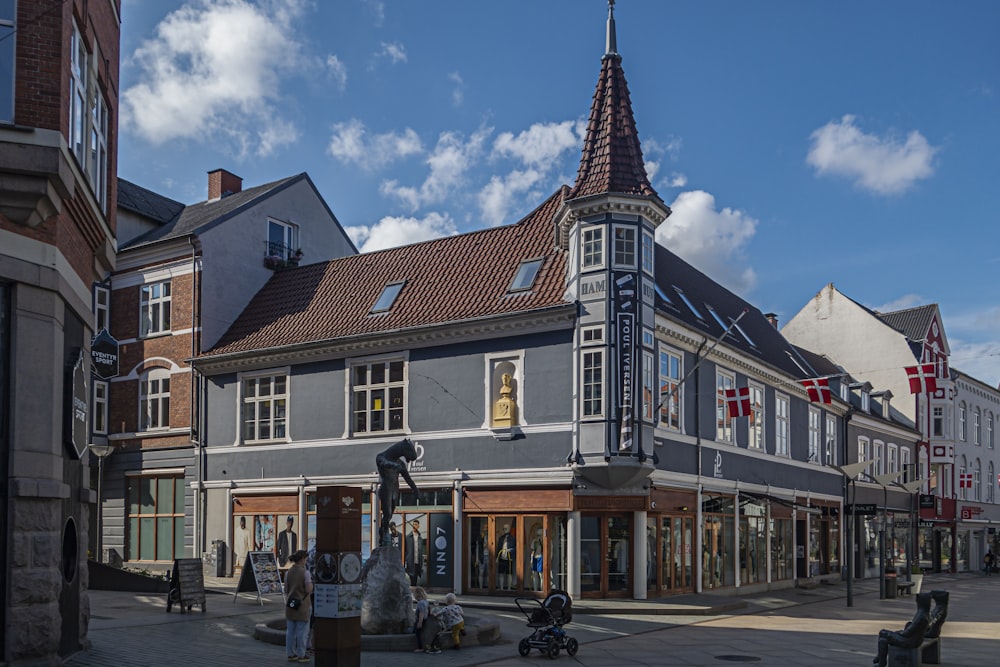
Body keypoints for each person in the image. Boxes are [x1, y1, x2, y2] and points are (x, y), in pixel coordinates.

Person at [284, 549, 312, 663]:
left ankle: (290, 654)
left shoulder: (288, 572)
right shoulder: (305, 572)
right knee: (302, 631)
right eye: (306, 558)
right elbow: (309, 589)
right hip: (303, 605)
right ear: (302, 559)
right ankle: (301, 654)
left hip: (291, 604)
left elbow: (286, 589)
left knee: (290, 631)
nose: (306, 560)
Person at [411, 587, 435, 653]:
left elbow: (421, 613)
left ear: (417, 594)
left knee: (418, 633)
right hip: (425, 619)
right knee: (416, 630)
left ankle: (420, 648)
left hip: (421, 620)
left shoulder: (420, 603)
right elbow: (429, 609)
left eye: (414, 594)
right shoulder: (425, 601)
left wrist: (420, 622)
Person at [497, 524, 516, 590]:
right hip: (502, 557)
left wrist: (510, 550)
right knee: (501, 573)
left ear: (509, 529)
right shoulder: (501, 538)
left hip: (509, 558)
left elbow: (515, 548)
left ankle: (509, 588)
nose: (505, 530)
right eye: (504, 528)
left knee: (509, 574)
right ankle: (501, 588)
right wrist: (497, 557)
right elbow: (498, 548)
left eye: (506, 528)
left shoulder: (513, 538)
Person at [406, 519, 424, 585]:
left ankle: (413, 593)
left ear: (418, 526)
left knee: (415, 580)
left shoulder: (420, 538)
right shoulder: (408, 537)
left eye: (416, 524)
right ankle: (412, 593)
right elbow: (406, 549)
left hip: (418, 562)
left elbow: (421, 551)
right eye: (413, 524)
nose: (414, 526)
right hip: (411, 561)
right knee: (412, 579)